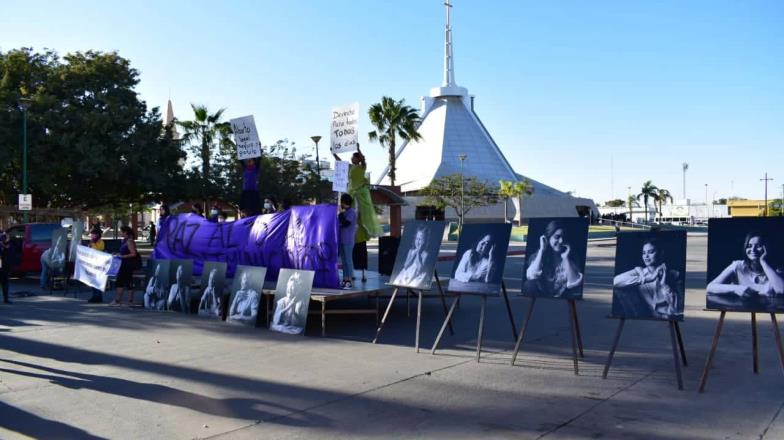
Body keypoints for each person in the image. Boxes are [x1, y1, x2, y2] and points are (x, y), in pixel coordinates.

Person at [613, 238, 682, 319]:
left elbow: (677, 310)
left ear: (661, 253)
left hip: (671, 318)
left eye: (651, 252)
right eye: (644, 253)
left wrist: (665, 285)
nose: (646, 256)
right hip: (649, 319)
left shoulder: (674, 274)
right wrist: (647, 279)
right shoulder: (640, 272)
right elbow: (615, 281)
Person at [707, 232, 784, 301]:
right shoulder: (738, 265)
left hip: (766, 311)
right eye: (749, 246)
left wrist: (763, 262)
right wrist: (736, 289)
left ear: (767, 248)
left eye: (758, 246)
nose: (753, 249)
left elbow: (781, 290)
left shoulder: (776, 269)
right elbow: (710, 287)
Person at [333, 147, 381, 245]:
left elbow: (363, 159)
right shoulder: (351, 167)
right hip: (351, 192)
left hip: (360, 193)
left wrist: (359, 149)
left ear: (358, 159)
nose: (352, 158)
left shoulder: (362, 166)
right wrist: (334, 153)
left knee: (360, 213)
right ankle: (354, 232)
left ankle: (363, 232)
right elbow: (341, 162)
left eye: (354, 157)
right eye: (352, 157)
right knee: (350, 212)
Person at [525, 220, 584, 297]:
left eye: (563, 237)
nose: (561, 241)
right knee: (528, 285)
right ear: (548, 237)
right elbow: (532, 276)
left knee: (577, 290)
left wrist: (566, 258)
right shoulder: (536, 256)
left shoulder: (572, 256)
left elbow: (575, 282)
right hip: (541, 294)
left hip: (564, 294)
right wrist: (542, 250)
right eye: (557, 237)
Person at [112, 226, 138, 305]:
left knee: (128, 282)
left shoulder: (129, 241)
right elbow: (124, 252)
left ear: (125, 232)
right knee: (120, 282)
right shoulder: (124, 241)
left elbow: (133, 254)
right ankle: (118, 300)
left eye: (121, 231)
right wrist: (117, 254)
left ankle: (129, 301)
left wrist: (122, 256)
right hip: (122, 264)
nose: (120, 233)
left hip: (128, 265)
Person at [338, 194, 357, 289]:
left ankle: (349, 280)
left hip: (348, 240)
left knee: (348, 261)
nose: (340, 204)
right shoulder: (345, 211)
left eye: (341, 202)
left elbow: (346, 224)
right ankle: (345, 279)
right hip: (341, 239)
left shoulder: (351, 212)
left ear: (344, 202)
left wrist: (341, 214)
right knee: (344, 261)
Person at [86, 229, 106, 303]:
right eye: (91, 234)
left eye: (93, 234)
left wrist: (92, 244)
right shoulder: (91, 242)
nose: (91, 236)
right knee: (93, 280)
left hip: (98, 264)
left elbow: (98, 250)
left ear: (97, 235)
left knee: (97, 280)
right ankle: (95, 295)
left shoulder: (101, 242)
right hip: (92, 263)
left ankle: (97, 296)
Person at [0, 229, 12, 304]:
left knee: (4, 280)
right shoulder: (3, 235)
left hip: (2, 261)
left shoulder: (3, 235)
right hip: (2, 261)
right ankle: (6, 299)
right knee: (4, 281)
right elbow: (7, 247)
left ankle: (6, 299)